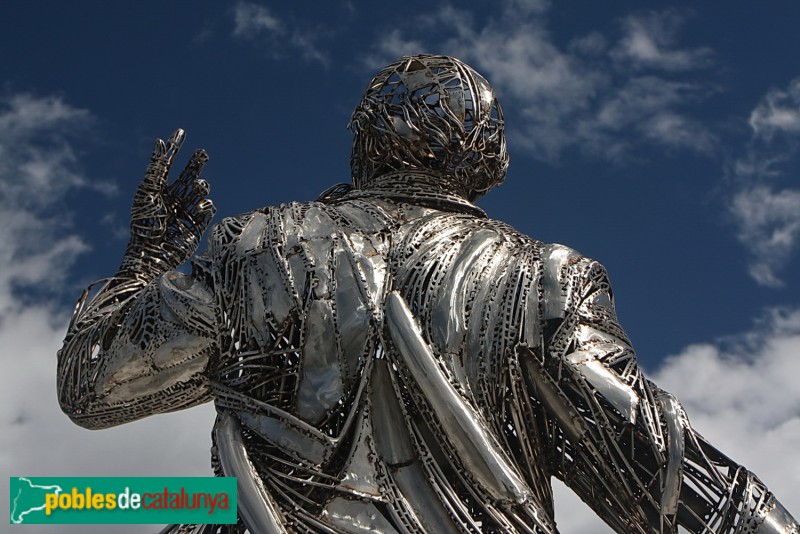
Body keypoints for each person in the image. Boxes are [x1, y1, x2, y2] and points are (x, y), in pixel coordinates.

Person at [58, 55, 798, 533]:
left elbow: (95, 388)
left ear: (364, 143)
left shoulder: (251, 248)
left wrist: (147, 260)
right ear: (491, 164)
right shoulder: (543, 282)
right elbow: (661, 472)